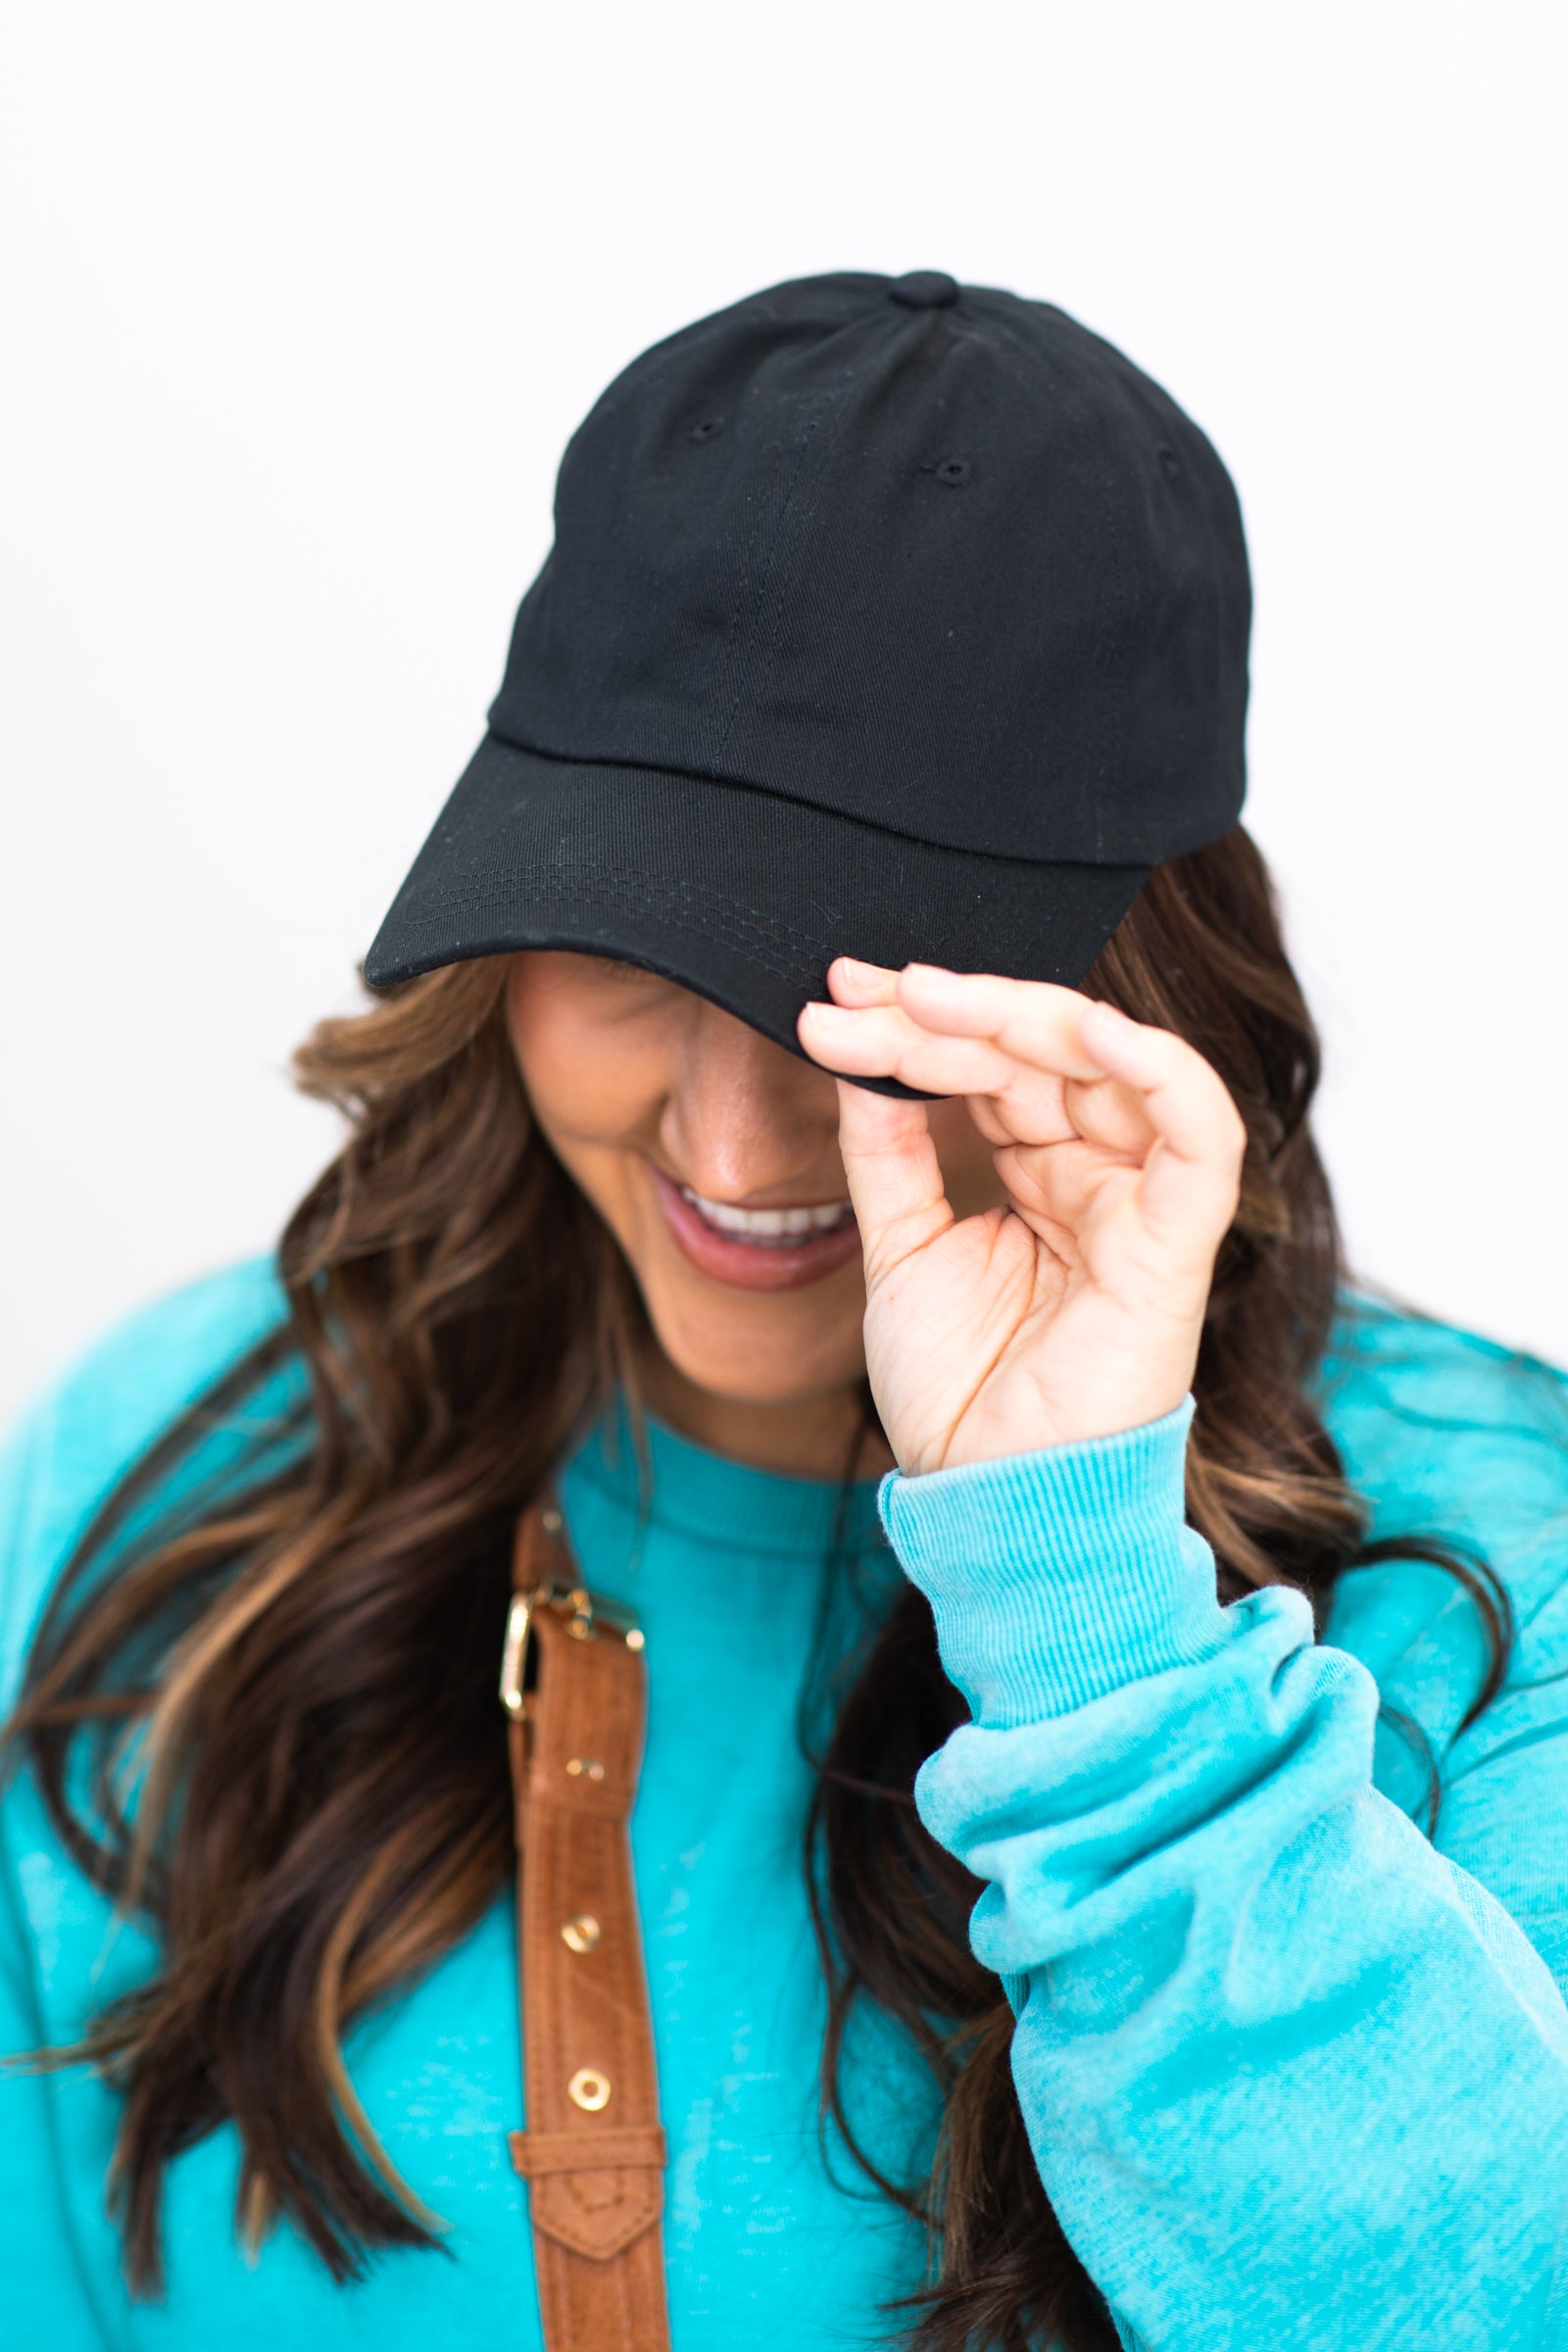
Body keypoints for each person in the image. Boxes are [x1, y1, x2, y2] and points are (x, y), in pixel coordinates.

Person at [3, 270, 1566, 2352]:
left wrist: (1083, 1594)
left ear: (1140, 986)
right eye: (633, 949)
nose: (735, 1146)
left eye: (875, 1001)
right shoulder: (171, 1470)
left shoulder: (1498, 1565)